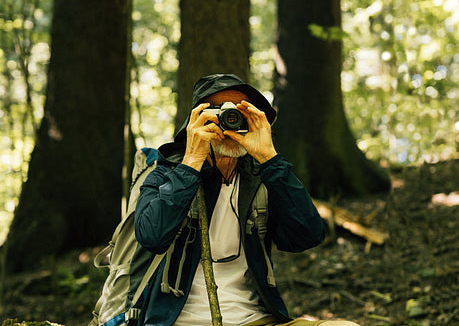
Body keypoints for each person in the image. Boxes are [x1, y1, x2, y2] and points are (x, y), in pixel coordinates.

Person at [134, 74, 359, 326]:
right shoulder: (166, 173)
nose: (229, 123)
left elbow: (307, 235)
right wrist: (191, 163)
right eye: (218, 113)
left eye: (240, 114)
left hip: (255, 319)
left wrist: (269, 158)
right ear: (197, 121)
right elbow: (151, 236)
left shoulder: (261, 178)